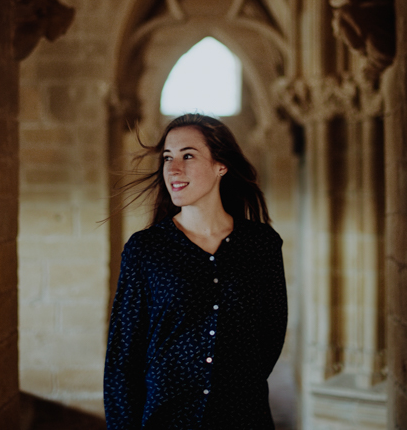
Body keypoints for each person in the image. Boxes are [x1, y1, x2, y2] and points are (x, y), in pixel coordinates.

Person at [104, 113, 287, 429]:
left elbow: (270, 336)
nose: (173, 169)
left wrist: (234, 386)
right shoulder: (146, 249)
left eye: (188, 156)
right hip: (167, 420)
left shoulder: (261, 245)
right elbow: (122, 357)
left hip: (243, 418)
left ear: (221, 165)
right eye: (167, 157)